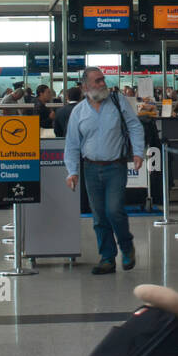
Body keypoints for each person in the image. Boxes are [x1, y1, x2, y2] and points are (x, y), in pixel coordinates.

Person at [64, 67, 145, 275]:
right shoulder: (78, 112)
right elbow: (72, 144)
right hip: (90, 168)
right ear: (85, 87)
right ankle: (107, 257)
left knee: (114, 210)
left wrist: (138, 152)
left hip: (115, 166)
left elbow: (134, 126)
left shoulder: (118, 102)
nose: (102, 84)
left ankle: (127, 248)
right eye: (97, 81)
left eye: (103, 80)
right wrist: (72, 171)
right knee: (99, 215)